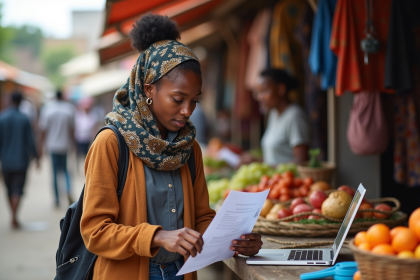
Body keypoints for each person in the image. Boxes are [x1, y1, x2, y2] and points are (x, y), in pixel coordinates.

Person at [80, 14, 263, 280]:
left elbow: (201, 218)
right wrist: (157, 236)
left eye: (194, 101)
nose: (187, 110)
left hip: (180, 272)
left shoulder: (190, 148)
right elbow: (95, 232)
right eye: (178, 99)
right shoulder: (111, 143)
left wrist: (235, 241)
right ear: (149, 90)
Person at [255, 68, 310, 165]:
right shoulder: (274, 114)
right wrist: (255, 160)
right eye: (258, 92)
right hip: (273, 179)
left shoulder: (295, 116)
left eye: (264, 91)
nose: (259, 97)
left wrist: (266, 166)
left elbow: (302, 160)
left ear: (281, 89)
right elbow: (274, 159)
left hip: (287, 179)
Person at [0, 92, 39, 228]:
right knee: (17, 189)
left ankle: (13, 215)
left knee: (9, 189)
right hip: (21, 161)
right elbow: (30, 141)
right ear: (21, 102)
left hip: (5, 161)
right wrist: (37, 157)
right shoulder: (24, 119)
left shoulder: (2, 118)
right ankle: (14, 217)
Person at [38, 90, 76, 207]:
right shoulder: (69, 109)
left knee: (54, 173)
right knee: (65, 171)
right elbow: (72, 129)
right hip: (65, 145)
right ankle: (68, 189)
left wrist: (41, 146)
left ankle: (56, 199)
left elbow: (43, 130)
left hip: (52, 146)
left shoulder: (48, 109)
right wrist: (73, 144)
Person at [74, 97, 97, 162]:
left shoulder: (93, 116)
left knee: (86, 154)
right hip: (79, 138)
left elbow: (94, 128)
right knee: (78, 154)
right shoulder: (78, 115)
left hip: (87, 138)